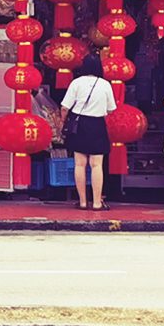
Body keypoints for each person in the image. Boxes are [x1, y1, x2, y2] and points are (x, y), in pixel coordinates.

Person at [60, 53, 117, 211]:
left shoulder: (76, 83)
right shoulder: (105, 84)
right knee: (97, 165)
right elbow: (111, 109)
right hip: (97, 124)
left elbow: (65, 107)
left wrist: (63, 122)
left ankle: (83, 202)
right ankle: (97, 202)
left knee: (79, 164)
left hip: (79, 124)